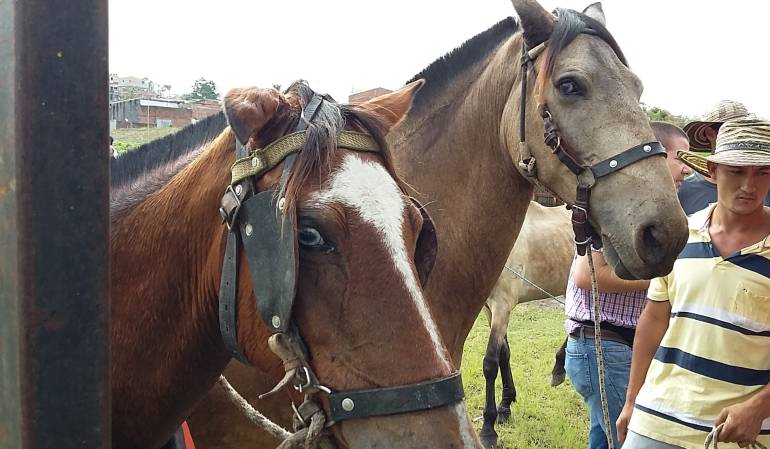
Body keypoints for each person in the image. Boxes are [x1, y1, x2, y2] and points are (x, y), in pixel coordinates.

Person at [617, 117, 770, 449]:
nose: (749, 185)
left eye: (762, 172)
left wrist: (760, 407)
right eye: (736, 171)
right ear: (712, 171)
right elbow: (654, 320)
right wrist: (632, 400)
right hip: (656, 420)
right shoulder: (683, 233)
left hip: (736, 433)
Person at [564, 121, 691, 449]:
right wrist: (666, 277)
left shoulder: (660, 211)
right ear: (657, 158)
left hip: (614, 348)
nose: (688, 170)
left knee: (604, 440)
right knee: (630, 439)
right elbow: (585, 276)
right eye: (682, 158)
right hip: (606, 348)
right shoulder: (622, 207)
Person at [679, 100, 770, 214]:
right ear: (710, 133)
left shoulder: (766, 185)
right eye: (731, 130)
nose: (748, 187)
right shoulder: (683, 190)